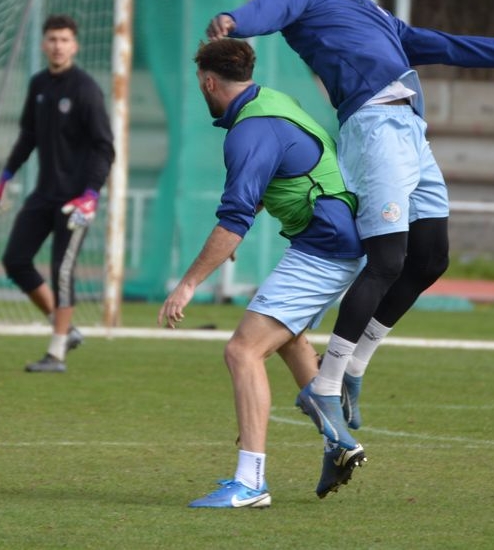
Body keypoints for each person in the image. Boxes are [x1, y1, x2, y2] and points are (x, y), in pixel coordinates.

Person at [207, 0, 494, 433]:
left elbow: (453, 45)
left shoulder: (384, 21)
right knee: (387, 260)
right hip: (373, 128)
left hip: (411, 133)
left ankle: (355, 367)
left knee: (431, 258)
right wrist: (234, 20)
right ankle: (325, 384)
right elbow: (273, 7)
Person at [158, 38, 369, 507]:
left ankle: (251, 481)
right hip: (334, 238)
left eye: (201, 83)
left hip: (326, 246)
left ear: (208, 82)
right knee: (285, 336)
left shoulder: (249, 131)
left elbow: (233, 219)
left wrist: (189, 283)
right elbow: (277, 171)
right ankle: (338, 439)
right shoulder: (273, 100)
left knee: (241, 351)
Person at [0, 14, 115, 373]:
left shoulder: (86, 89)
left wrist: (91, 193)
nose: (58, 45)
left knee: (62, 271)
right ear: (44, 44)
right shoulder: (38, 85)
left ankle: (56, 353)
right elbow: (28, 136)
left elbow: (104, 147)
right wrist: (6, 175)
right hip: (43, 194)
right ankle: (66, 328)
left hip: (76, 201)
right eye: (52, 39)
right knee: (15, 260)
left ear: (75, 45)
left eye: (64, 39)